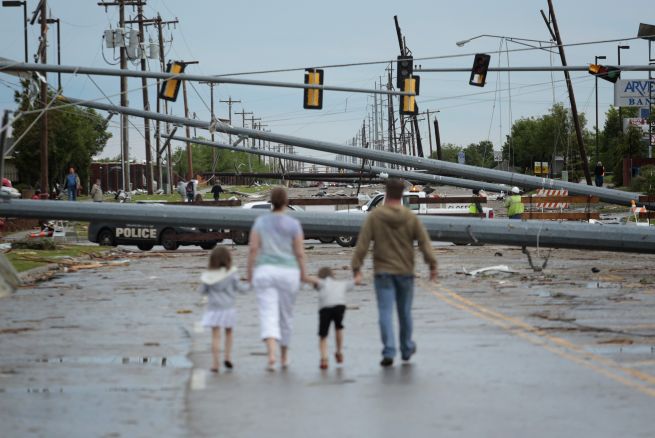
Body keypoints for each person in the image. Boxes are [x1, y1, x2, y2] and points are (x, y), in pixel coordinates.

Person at [351, 178, 438, 367]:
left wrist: (356, 268)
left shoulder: (375, 217)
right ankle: (406, 349)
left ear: (387, 193)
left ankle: (389, 350)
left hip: (383, 272)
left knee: (385, 312)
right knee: (404, 313)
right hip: (405, 272)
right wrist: (432, 265)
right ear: (401, 195)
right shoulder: (410, 217)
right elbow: (424, 242)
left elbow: (362, 244)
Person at [247, 187, 310, 371]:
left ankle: (271, 356)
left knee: (268, 314)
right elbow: (299, 252)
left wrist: (249, 273)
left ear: (271, 202)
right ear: (286, 202)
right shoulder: (293, 224)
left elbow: (253, 249)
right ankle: (284, 356)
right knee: (285, 316)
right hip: (288, 273)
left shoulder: (260, 222)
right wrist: (304, 274)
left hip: (265, 272)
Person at [199, 246, 247, 373]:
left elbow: (202, 291)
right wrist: (251, 285)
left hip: (214, 309)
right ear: (228, 259)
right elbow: (241, 289)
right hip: (228, 309)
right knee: (229, 333)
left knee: (215, 336)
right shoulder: (232, 275)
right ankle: (227, 357)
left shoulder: (209, 276)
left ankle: (215, 364)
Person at [309, 267, 354, 370]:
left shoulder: (321, 283)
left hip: (325, 307)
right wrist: (357, 273)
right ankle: (339, 352)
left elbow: (310, 280)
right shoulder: (340, 283)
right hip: (340, 306)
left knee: (323, 335)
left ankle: (324, 359)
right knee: (338, 328)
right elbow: (355, 281)